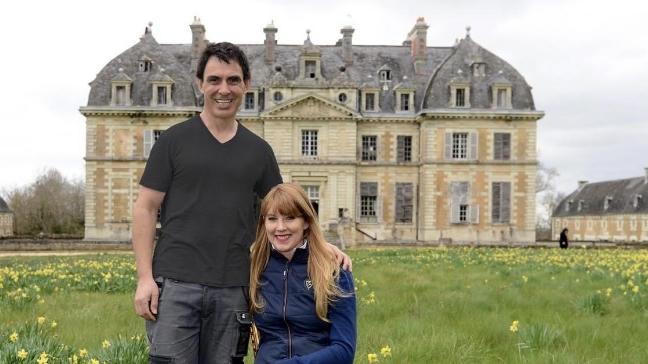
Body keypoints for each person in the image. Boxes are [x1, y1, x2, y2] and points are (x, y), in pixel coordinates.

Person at [132, 42, 350, 364]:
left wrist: (320, 244)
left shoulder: (258, 151)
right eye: (215, 79)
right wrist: (144, 278)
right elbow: (145, 209)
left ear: (246, 84)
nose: (224, 89)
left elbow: (286, 210)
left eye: (233, 80)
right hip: (175, 286)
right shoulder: (173, 141)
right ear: (200, 83)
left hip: (235, 288)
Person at [250, 183, 356, 364]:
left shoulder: (334, 270)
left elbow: (344, 350)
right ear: (264, 223)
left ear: (306, 221)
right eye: (272, 219)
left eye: (290, 218)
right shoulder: (254, 267)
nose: (280, 227)